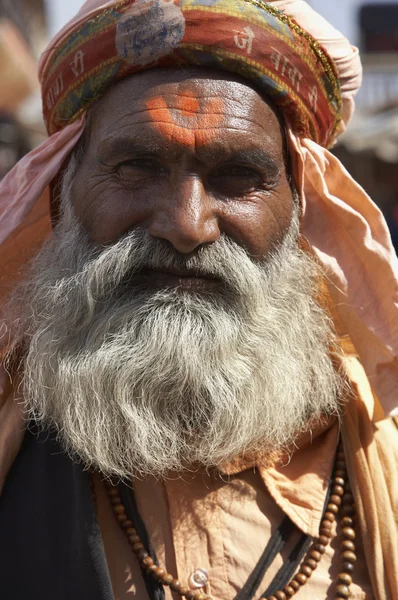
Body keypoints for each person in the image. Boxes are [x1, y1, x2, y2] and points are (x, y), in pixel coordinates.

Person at [0, 1, 397, 599]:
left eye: (238, 175)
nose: (187, 226)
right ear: (62, 193)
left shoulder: (378, 452)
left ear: (299, 206)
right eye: (136, 166)